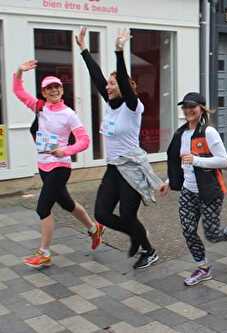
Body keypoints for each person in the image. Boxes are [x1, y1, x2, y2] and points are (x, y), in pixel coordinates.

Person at [76, 27, 167, 269]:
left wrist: (119, 51)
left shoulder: (132, 107)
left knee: (127, 216)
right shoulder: (111, 105)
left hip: (132, 168)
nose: (107, 86)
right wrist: (84, 50)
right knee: (102, 214)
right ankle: (137, 234)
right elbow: (96, 77)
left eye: (112, 84)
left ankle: (148, 250)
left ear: (123, 86)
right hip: (113, 168)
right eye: (108, 84)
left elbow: (126, 87)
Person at [13, 60, 104, 268]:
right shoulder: (39, 107)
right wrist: (19, 71)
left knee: (43, 208)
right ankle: (93, 229)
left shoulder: (69, 114)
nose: (53, 90)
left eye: (57, 87)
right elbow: (18, 91)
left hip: (60, 166)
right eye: (49, 88)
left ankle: (44, 253)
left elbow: (84, 140)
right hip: (43, 165)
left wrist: (66, 150)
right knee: (67, 203)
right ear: (43, 92)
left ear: (62, 90)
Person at [164, 92, 227, 286]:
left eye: (192, 107)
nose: (188, 110)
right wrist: (168, 180)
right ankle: (203, 268)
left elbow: (224, 161)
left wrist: (196, 159)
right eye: (185, 107)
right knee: (188, 230)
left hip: (209, 191)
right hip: (188, 191)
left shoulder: (208, 132)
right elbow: (181, 162)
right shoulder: (181, 133)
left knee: (212, 234)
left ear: (202, 109)